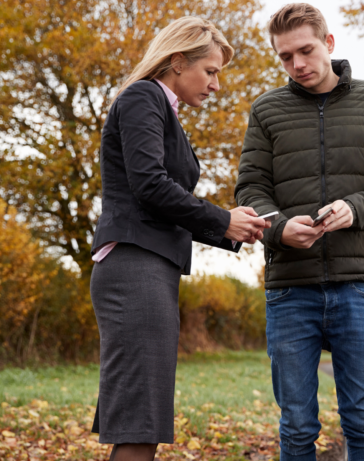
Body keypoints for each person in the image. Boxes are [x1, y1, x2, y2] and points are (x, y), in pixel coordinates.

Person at [235, 4, 364, 460]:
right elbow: (250, 188)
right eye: (285, 56)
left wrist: (355, 208)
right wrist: (278, 228)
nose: (297, 64)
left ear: (329, 44)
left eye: (306, 50)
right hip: (289, 289)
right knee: (297, 426)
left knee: (362, 420)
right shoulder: (266, 110)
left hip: (357, 287)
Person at [90, 17, 269, 461]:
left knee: (142, 417)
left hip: (150, 267)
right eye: (210, 71)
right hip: (134, 267)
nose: (216, 85)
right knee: (139, 420)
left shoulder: (162, 109)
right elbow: (150, 185)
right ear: (176, 61)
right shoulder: (143, 96)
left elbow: (165, 200)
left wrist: (234, 229)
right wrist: (222, 219)